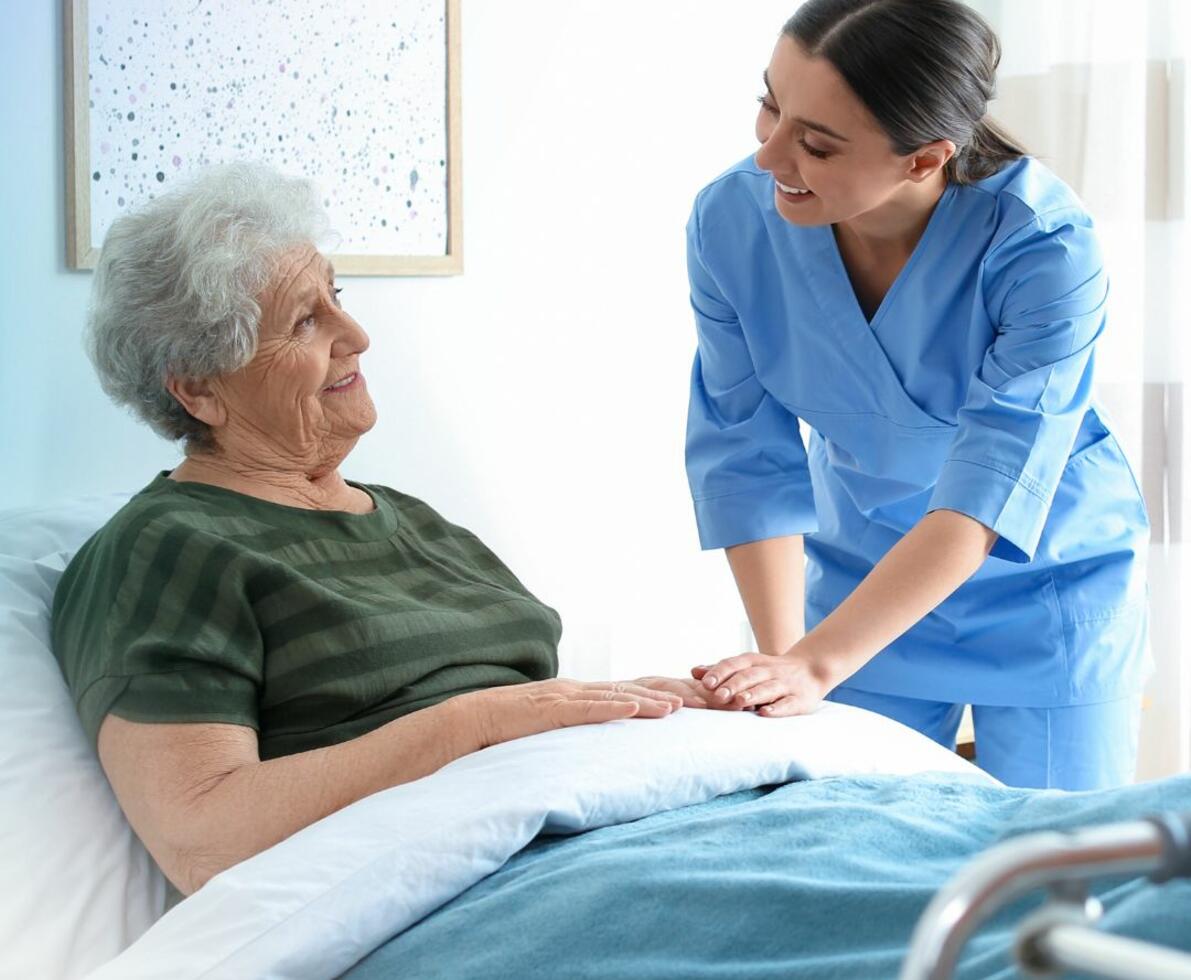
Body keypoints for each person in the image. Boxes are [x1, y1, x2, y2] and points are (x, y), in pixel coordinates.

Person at [52, 162, 715, 899]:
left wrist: (636, 706)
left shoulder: (417, 523)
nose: (357, 335)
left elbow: (521, 708)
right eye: (305, 320)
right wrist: (475, 725)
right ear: (199, 387)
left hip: (604, 832)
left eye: (335, 297)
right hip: (468, 892)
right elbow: (205, 836)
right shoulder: (166, 551)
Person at [683, 0, 1150, 790]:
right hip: (862, 581)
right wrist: (786, 665)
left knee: (1057, 871)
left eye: (815, 143)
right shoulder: (731, 219)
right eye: (769, 105)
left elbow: (985, 493)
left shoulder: (1043, 245)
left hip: (1047, 586)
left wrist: (815, 662)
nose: (767, 157)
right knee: (852, 854)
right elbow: (744, 453)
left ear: (924, 158)